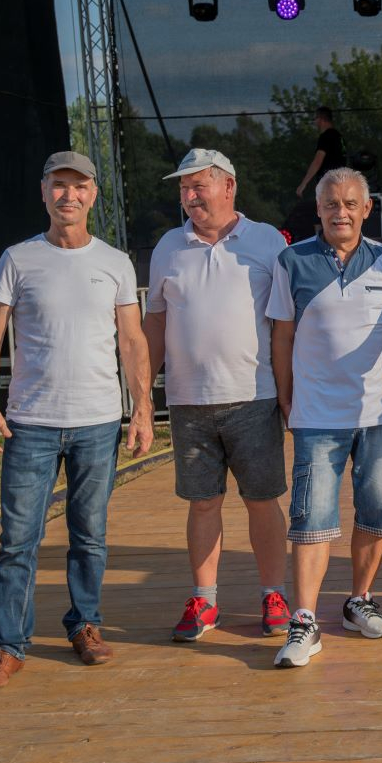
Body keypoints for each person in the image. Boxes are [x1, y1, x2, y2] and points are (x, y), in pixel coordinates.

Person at [0, 151, 155, 693]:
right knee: (17, 542)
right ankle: (9, 647)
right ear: (44, 191)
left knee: (89, 536)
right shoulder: (18, 258)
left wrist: (142, 409)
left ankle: (84, 625)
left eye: (78, 186)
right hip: (30, 423)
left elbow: (132, 340)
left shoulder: (116, 262)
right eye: (59, 185)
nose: (68, 195)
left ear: (93, 195)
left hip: (98, 422)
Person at [267, 167, 382, 668]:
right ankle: (304, 620)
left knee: (378, 512)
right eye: (331, 203)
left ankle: (359, 601)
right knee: (312, 517)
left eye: (350, 203)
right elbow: (282, 337)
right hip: (317, 415)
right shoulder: (291, 261)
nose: (341, 212)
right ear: (318, 208)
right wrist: (285, 396)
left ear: (366, 209)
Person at [142, 149, 292, 644]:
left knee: (262, 500)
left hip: (254, 396)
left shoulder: (267, 241)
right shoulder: (168, 245)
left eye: (197, 186)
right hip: (188, 401)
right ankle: (204, 601)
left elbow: (284, 325)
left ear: (229, 186)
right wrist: (142, 395)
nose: (189, 196)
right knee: (203, 503)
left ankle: (274, 595)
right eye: (183, 188)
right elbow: (155, 322)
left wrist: (288, 393)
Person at [287, 107, 347, 242]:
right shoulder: (339, 137)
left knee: (321, 215)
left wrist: (303, 184)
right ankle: (334, 241)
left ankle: (322, 244)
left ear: (321, 119)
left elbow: (318, 161)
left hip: (329, 184)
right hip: (340, 184)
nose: (315, 122)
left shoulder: (326, 136)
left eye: (316, 118)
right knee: (334, 213)